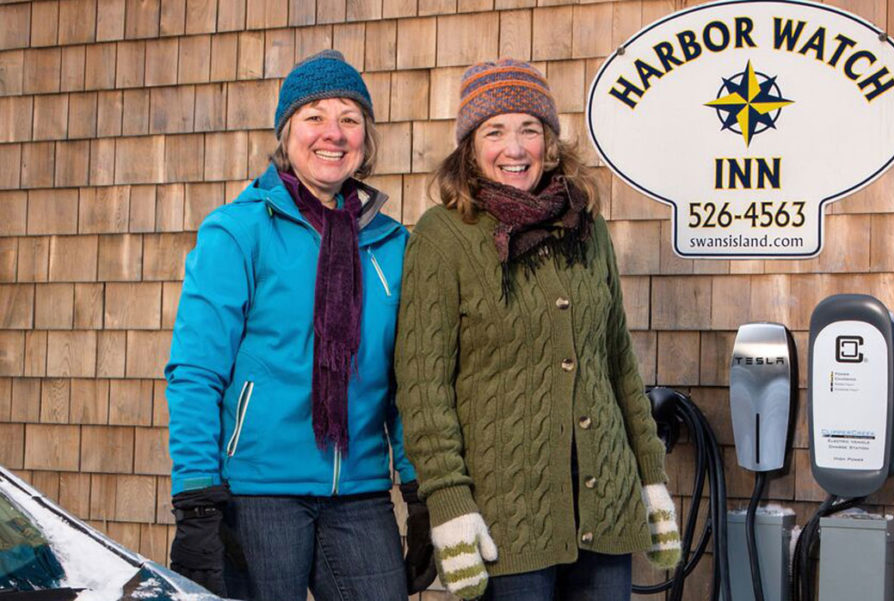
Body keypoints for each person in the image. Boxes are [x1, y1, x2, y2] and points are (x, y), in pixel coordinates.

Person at [394, 59, 682, 601]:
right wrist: (450, 503)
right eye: (495, 131)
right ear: (470, 148)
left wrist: (651, 477)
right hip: (508, 515)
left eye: (529, 129)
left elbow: (618, 361)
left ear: (550, 142)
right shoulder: (444, 238)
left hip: (605, 505)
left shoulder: (586, 229)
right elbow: (423, 388)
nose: (515, 147)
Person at [164, 50, 435, 601]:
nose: (332, 133)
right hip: (256, 494)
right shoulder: (237, 231)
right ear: (287, 133)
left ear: (366, 138)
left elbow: (407, 384)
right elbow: (195, 371)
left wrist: (419, 486)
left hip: (359, 492)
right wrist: (196, 500)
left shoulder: (393, 245)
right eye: (314, 115)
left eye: (349, 118)